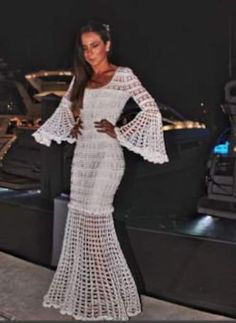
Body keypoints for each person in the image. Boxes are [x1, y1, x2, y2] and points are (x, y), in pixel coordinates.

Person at [32, 21, 169, 321]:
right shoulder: (81, 78)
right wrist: (71, 125)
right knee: (80, 224)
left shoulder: (123, 76)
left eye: (95, 45)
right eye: (85, 47)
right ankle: (90, 293)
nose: (90, 52)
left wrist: (120, 132)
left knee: (96, 226)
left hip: (107, 158)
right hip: (82, 157)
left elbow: (151, 110)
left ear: (107, 45)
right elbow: (65, 109)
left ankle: (111, 297)